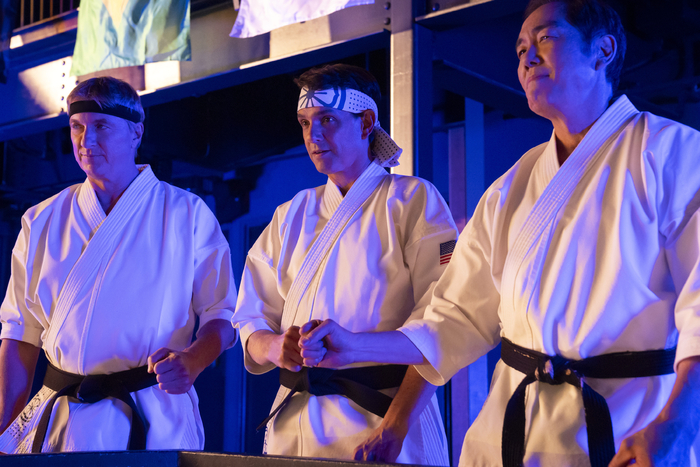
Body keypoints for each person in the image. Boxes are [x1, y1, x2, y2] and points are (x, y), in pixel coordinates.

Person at [299, 1, 700, 466]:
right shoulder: (514, 184)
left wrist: (680, 422)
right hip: (511, 432)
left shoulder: (674, 155)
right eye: (520, 48)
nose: (527, 58)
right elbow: (455, 315)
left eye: (545, 39)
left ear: (603, 50)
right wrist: (356, 345)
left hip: (626, 430)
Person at [232, 64, 456, 464]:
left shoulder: (412, 200)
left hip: (381, 420)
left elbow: (441, 326)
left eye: (327, 120)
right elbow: (250, 315)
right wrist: (273, 346)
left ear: (367, 121)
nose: (313, 136)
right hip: (295, 423)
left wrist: (395, 427)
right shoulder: (291, 213)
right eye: (304, 123)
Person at [0, 77, 237, 453]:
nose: (85, 141)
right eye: (77, 127)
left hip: (151, 413)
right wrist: (7, 424)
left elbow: (221, 317)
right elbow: (19, 332)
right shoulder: (41, 220)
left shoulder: (185, 214)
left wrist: (193, 360)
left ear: (135, 133)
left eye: (101, 126)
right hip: (62, 416)